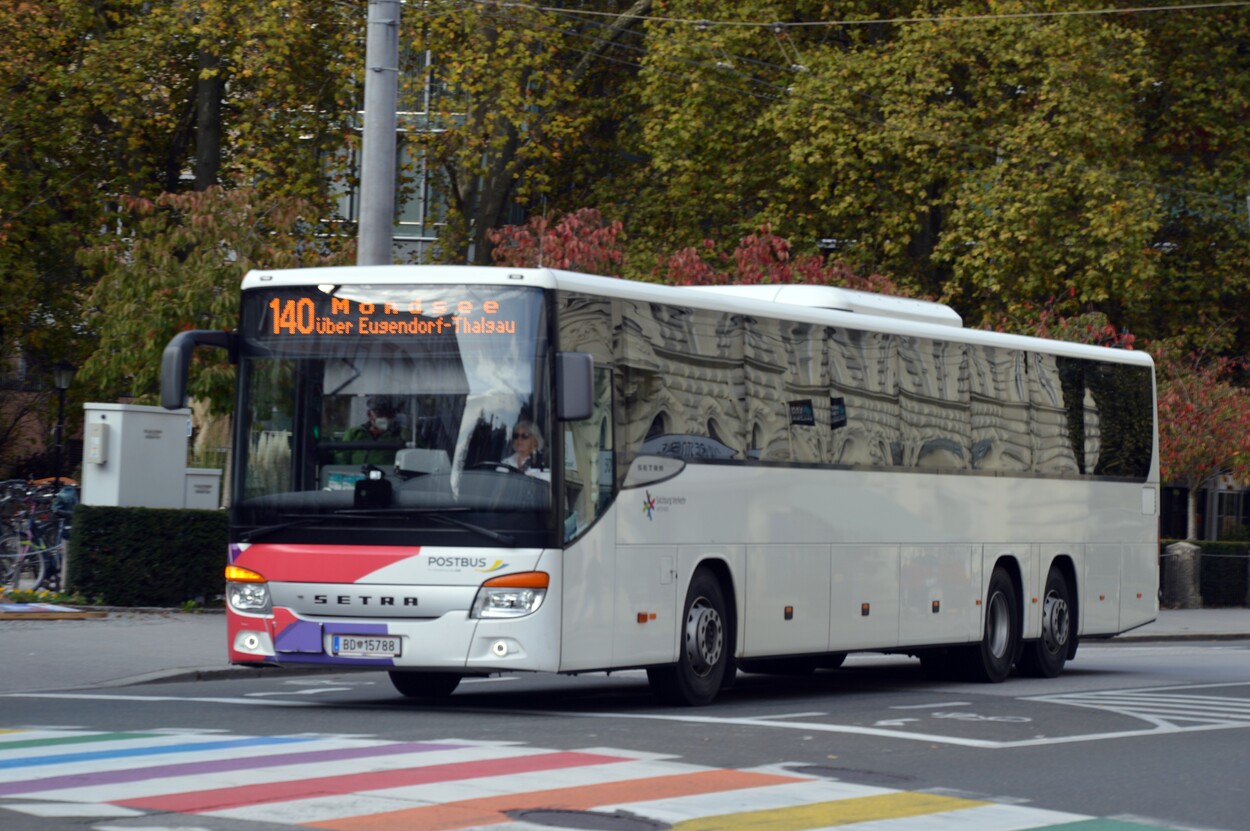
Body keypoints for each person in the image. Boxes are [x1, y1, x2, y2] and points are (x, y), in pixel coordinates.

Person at [337, 397, 404, 466]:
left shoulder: (400, 435)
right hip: (357, 475)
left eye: (389, 414)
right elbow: (341, 459)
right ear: (369, 414)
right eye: (380, 414)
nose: (384, 417)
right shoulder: (354, 433)